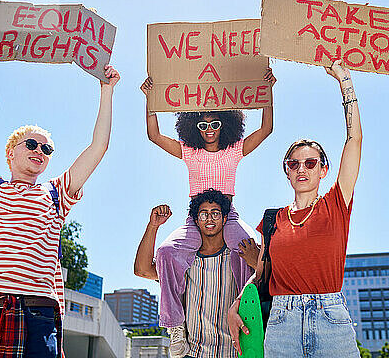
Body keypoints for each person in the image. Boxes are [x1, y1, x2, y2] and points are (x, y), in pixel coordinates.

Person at [0, 39, 120, 358]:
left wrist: (106, 91)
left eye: (47, 149)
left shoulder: (57, 193)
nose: (40, 151)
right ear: (10, 153)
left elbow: (98, 148)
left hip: (35, 319)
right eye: (32, 145)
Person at [227, 60, 363, 358]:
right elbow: (261, 274)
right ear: (286, 172)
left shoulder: (336, 205)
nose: (302, 169)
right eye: (294, 163)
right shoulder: (272, 220)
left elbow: (354, 141)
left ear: (323, 170)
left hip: (331, 320)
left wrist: (345, 81)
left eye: (311, 163)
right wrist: (236, 304)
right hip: (282, 322)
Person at [139, 70, 275, 355]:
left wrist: (267, 92)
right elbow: (153, 135)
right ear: (194, 127)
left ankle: (247, 317)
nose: (209, 129)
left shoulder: (234, 150)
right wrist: (150, 98)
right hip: (196, 217)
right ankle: (176, 327)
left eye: (215, 123)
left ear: (225, 124)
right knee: (165, 251)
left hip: (228, 215)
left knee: (256, 251)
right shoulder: (189, 151)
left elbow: (266, 130)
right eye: (203, 124)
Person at [134, 189, 257, 358]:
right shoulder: (184, 260)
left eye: (215, 213)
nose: (209, 218)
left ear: (225, 218)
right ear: (196, 221)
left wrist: (256, 260)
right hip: (193, 353)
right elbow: (142, 270)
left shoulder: (239, 258)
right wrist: (153, 226)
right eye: (203, 214)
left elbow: (267, 280)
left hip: (236, 351)